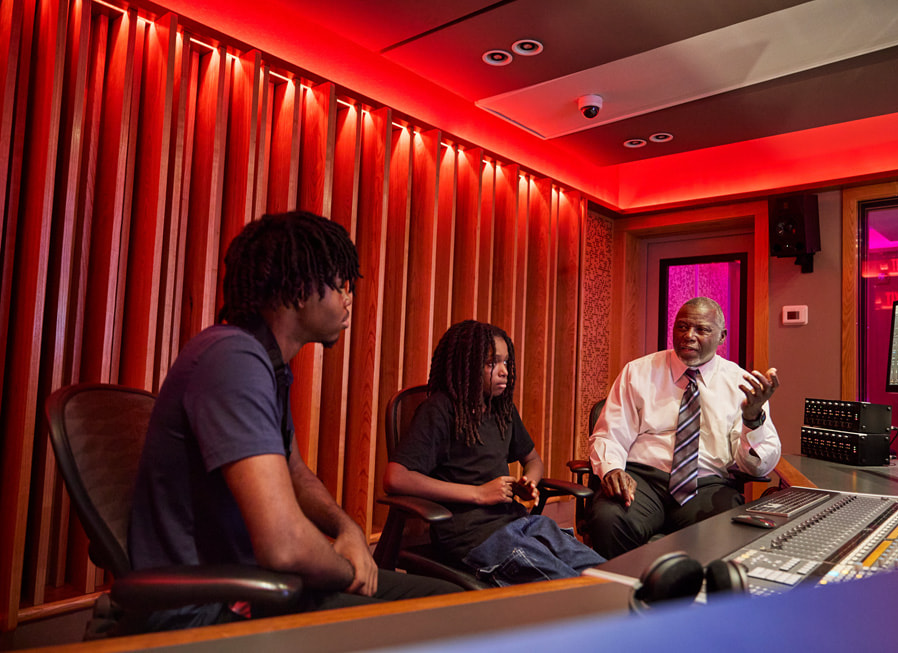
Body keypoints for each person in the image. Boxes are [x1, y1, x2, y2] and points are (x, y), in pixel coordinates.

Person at [129, 211, 458, 632]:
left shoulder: (267, 366)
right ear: (301, 290)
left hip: (258, 589)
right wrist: (349, 569)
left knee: (447, 603)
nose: (348, 299)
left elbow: (294, 471)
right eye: (341, 285)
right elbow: (283, 545)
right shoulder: (233, 358)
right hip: (209, 610)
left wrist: (349, 529)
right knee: (448, 621)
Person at [384, 320, 605, 586]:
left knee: (605, 572)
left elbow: (533, 460)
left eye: (506, 363)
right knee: (570, 586)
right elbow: (395, 477)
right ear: (465, 366)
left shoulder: (502, 410)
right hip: (473, 537)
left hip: (519, 523)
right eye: (491, 363)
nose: (504, 372)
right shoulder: (439, 411)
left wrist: (529, 482)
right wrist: (478, 494)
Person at [588, 297, 780, 559]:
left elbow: (760, 467)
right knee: (608, 519)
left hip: (707, 484)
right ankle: (624, 594)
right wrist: (612, 469)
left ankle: (687, 597)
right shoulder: (638, 372)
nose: (688, 336)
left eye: (701, 329)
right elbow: (610, 434)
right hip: (642, 480)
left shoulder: (742, 384)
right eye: (682, 327)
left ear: (722, 336)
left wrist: (753, 419)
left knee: (722, 530)